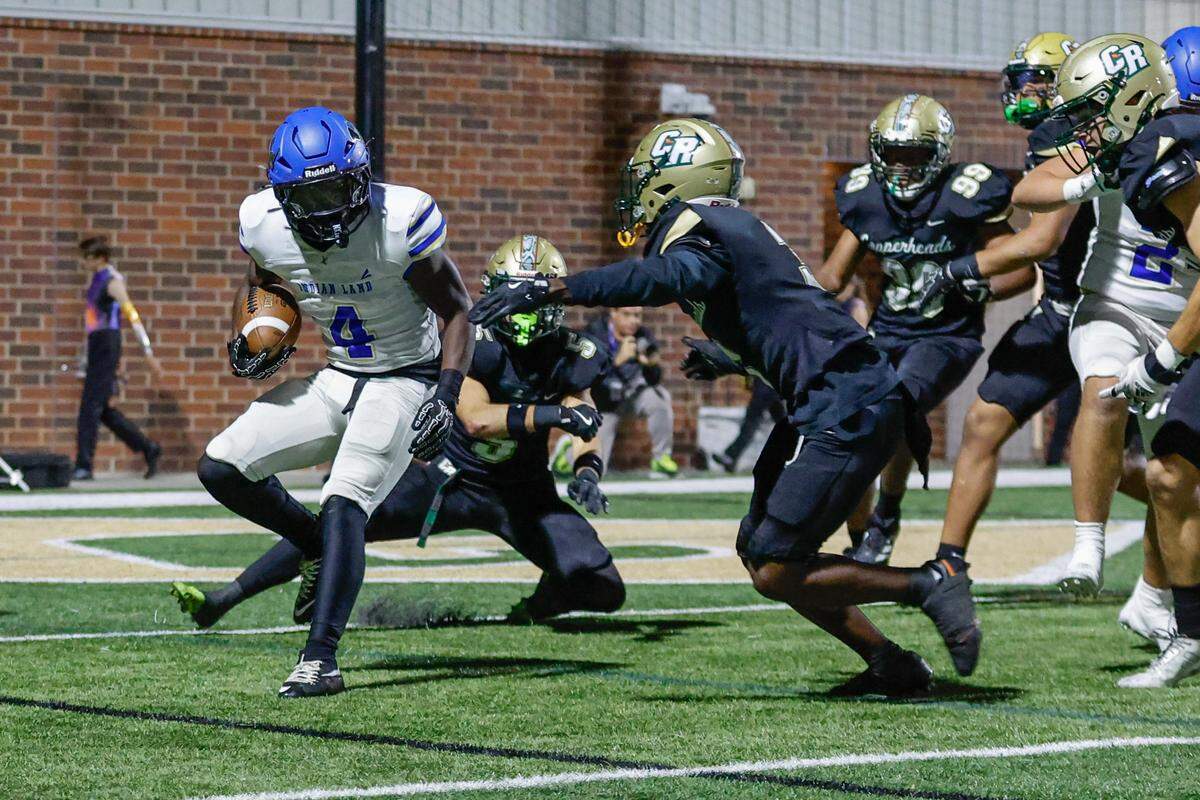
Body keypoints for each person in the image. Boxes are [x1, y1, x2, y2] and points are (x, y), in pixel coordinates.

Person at [470, 117, 984, 695]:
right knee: (761, 552)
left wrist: (558, 288)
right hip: (830, 394)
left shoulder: (697, 227)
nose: (636, 192)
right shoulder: (728, 226)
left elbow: (667, 277)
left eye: (646, 179)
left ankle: (929, 582)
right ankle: (893, 665)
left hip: (845, 398)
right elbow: (787, 317)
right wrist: (734, 357)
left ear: (675, 179)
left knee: (774, 561)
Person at [173, 235, 622, 630]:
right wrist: (553, 417)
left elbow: (583, 413)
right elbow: (476, 418)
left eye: (532, 298)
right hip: (447, 479)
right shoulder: (475, 340)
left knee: (604, 590)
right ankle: (226, 598)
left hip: (524, 493)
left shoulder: (571, 353)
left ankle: (549, 595)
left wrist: (588, 469)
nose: (524, 313)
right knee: (342, 518)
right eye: (515, 298)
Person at [196, 107, 474, 698]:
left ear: (361, 175)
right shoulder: (263, 225)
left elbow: (457, 311)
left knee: (345, 498)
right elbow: (263, 284)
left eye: (334, 188)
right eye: (309, 194)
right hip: (338, 375)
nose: (324, 208)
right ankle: (314, 546)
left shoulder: (402, 219)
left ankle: (320, 658)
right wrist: (255, 331)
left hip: (404, 377)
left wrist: (446, 395)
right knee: (221, 464)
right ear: (280, 193)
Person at [1013, 33, 1200, 686]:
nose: (1088, 127)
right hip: (1116, 305)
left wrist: (1174, 351)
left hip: (1185, 314)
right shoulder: (1117, 143)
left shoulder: (1172, 140)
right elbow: (1033, 188)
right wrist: (1088, 180)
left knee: (1175, 472)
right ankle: (1091, 548)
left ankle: (1155, 601)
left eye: (1096, 110)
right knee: (1110, 404)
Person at [815, 93, 1031, 566]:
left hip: (946, 335)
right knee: (848, 419)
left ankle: (886, 516)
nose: (902, 167)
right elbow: (832, 277)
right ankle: (862, 540)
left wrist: (979, 289)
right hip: (887, 330)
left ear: (939, 154)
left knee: (896, 406)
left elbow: (1022, 270)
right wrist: (780, 285)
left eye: (914, 155)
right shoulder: (866, 198)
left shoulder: (965, 194)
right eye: (892, 155)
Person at [73, 236, 162, 481]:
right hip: (98, 343)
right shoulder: (95, 279)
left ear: (100, 258)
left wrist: (147, 351)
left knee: (90, 408)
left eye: (88, 257)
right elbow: (93, 321)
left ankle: (83, 465)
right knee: (101, 410)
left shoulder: (112, 281)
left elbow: (131, 315)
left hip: (106, 343)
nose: (83, 262)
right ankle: (148, 447)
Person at [586, 307, 677, 477]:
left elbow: (654, 380)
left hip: (631, 397)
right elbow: (587, 378)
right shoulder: (595, 333)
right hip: (604, 405)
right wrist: (617, 360)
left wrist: (650, 366)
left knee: (659, 397)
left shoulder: (643, 335)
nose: (634, 320)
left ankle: (661, 459)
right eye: (627, 315)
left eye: (637, 315)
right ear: (613, 313)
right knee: (597, 467)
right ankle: (568, 454)